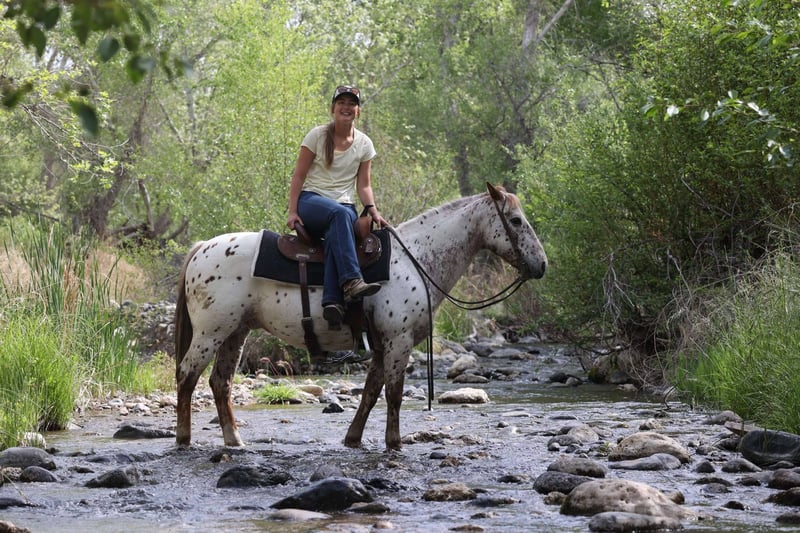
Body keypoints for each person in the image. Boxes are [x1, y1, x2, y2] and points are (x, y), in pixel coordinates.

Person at [287, 85, 388, 330]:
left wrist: (373, 210)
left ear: (358, 111)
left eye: (352, 103)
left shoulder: (364, 144)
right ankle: (352, 280)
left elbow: (364, 185)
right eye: (341, 102)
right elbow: (299, 176)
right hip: (311, 201)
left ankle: (332, 302)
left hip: (344, 207)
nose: (346, 107)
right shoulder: (317, 135)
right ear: (333, 108)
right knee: (340, 215)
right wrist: (292, 211)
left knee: (337, 233)